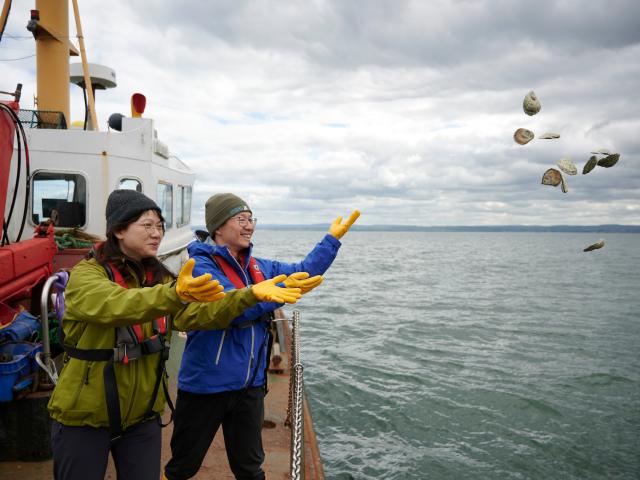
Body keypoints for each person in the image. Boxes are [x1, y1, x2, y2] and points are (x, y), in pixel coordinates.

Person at [48, 189, 305, 480]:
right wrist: (175, 293)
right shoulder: (87, 275)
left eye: (160, 226)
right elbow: (116, 305)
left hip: (142, 418)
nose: (157, 233)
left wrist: (249, 296)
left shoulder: (161, 278)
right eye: (147, 225)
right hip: (85, 416)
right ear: (118, 230)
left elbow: (197, 315)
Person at [163, 193, 360, 480]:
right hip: (206, 386)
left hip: (250, 386)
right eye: (240, 219)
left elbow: (302, 272)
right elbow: (231, 308)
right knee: (183, 466)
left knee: (250, 469)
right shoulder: (200, 266)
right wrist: (264, 295)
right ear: (218, 227)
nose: (249, 226)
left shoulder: (258, 268)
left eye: (251, 219)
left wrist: (331, 241)